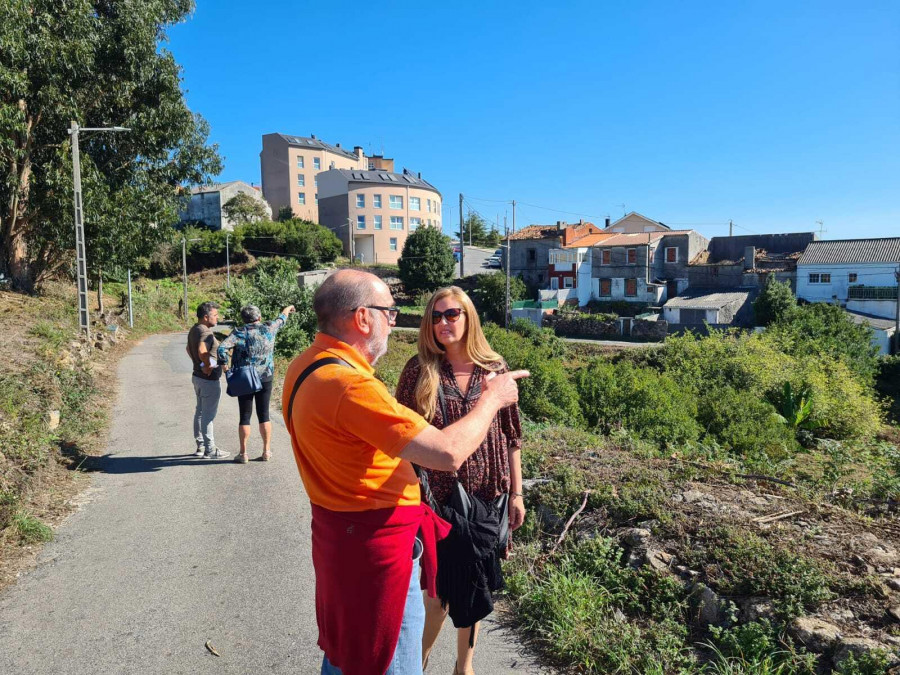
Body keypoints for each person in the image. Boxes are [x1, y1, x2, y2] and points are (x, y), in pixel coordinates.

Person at [281, 269, 528, 675]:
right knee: (388, 656)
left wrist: (514, 491)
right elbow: (446, 452)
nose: (394, 322)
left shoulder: (306, 366)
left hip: (341, 536)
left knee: (349, 650)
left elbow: (508, 437)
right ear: (363, 318)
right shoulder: (350, 385)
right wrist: (492, 400)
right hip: (377, 548)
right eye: (389, 313)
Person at [395, 287, 524, 675]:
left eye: (451, 314)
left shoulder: (495, 370)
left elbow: (512, 436)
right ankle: (415, 665)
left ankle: (463, 668)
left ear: (469, 317)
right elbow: (399, 436)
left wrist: (517, 494)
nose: (442, 323)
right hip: (436, 502)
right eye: (435, 317)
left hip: (487, 499)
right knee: (435, 594)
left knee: (475, 583)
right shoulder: (419, 371)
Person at [217, 304, 295, 463]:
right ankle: (266, 451)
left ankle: (243, 453)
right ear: (259, 317)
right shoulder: (269, 329)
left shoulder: (239, 333)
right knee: (264, 414)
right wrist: (288, 308)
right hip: (266, 377)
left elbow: (221, 349)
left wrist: (225, 367)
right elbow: (282, 318)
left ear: (244, 319)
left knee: (245, 416)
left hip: (244, 378)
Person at [186, 301, 229, 460]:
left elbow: (188, 349)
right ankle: (210, 450)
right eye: (215, 315)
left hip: (197, 377)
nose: (218, 318)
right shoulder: (206, 333)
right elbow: (201, 351)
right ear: (206, 317)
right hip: (208, 380)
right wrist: (207, 366)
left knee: (200, 412)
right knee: (208, 415)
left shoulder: (194, 329)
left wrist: (198, 363)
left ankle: (201, 446)